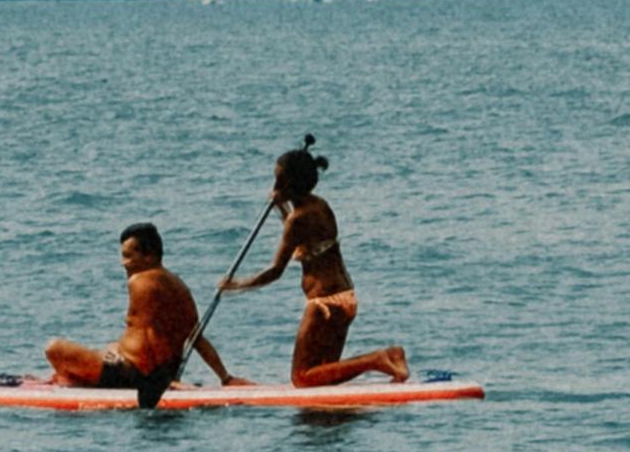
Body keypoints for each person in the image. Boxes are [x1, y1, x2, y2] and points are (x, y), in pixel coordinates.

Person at [253, 143, 409, 390]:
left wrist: (236, 285)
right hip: (345, 298)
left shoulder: (298, 219)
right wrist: (281, 206)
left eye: (279, 182)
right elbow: (298, 239)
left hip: (323, 305)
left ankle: (376, 360)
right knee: (322, 374)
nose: (274, 188)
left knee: (302, 378)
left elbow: (276, 270)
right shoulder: (319, 206)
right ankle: (393, 354)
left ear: (292, 185)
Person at [43, 222, 238, 400]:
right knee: (110, 346)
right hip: (151, 372)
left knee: (54, 348)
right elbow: (196, 337)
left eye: (128, 256)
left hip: (132, 375)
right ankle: (74, 377)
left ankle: (72, 381)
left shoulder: (140, 281)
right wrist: (225, 377)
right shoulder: (177, 284)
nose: (123, 263)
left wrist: (161, 384)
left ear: (149, 256)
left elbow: (149, 344)